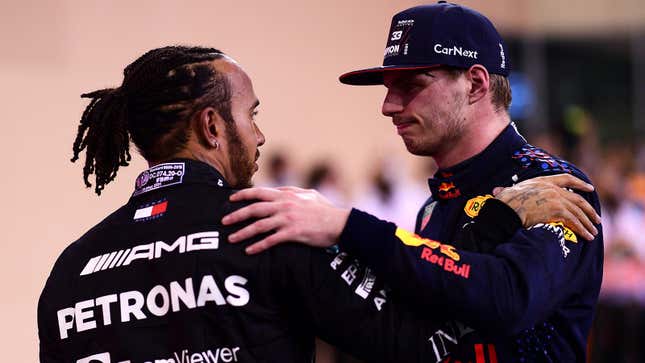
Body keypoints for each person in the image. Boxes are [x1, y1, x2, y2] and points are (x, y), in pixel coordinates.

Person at [37, 45, 591, 363]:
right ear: (211, 126)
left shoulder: (69, 271)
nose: (258, 137)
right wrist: (499, 219)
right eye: (251, 114)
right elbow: (426, 342)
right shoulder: (267, 228)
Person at [222, 2, 604, 362]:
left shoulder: (553, 184)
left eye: (411, 85)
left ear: (475, 84)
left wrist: (345, 224)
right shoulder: (436, 202)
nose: (388, 105)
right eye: (389, 87)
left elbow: (507, 299)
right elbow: (421, 318)